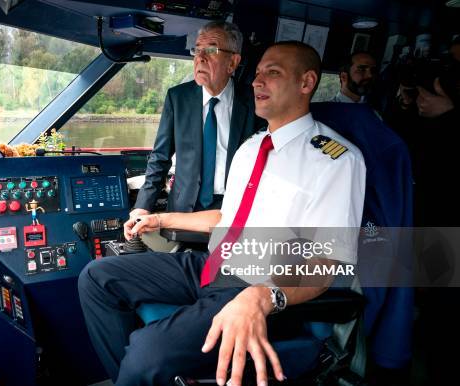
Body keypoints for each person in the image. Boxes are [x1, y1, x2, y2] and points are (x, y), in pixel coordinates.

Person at [78, 41, 366, 386]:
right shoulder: (250, 148)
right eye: (257, 73)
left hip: (260, 286)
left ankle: (137, 373)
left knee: (145, 351)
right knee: (96, 278)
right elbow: (226, 219)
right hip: (214, 265)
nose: (257, 82)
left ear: (306, 83)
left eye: (272, 73)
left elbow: (326, 265)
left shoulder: (335, 161)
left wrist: (263, 296)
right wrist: (159, 220)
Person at [131, 21, 260, 218]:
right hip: (183, 208)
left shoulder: (254, 102)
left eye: (210, 50)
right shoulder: (178, 98)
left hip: (232, 207)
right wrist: (143, 206)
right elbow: (160, 157)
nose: (200, 58)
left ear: (232, 63)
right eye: (197, 50)